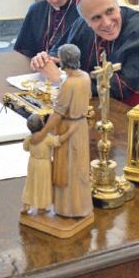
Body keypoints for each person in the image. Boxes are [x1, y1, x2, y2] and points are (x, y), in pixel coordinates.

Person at [31, 0, 139, 104]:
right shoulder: (82, 26)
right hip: (99, 104)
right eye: (96, 18)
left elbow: (121, 88)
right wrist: (45, 61)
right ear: (86, 21)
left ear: (118, 5)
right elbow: (60, 53)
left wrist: (61, 79)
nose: (107, 23)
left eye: (110, 11)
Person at [37, 43, 93, 218]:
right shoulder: (85, 77)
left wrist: (44, 131)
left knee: (68, 171)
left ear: (63, 61)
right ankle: (81, 206)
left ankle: (68, 209)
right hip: (82, 126)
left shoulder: (69, 83)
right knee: (80, 169)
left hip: (67, 127)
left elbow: (58, 113)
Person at [20, 114, 59, 215]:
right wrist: (68, 133)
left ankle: (25, 205)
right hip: (44, 164)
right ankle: (41, 207)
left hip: (32, 163)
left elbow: (25, 148)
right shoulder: (47, 138)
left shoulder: (29, 138)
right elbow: (57, 141)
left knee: (30, 184)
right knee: (43, 185)